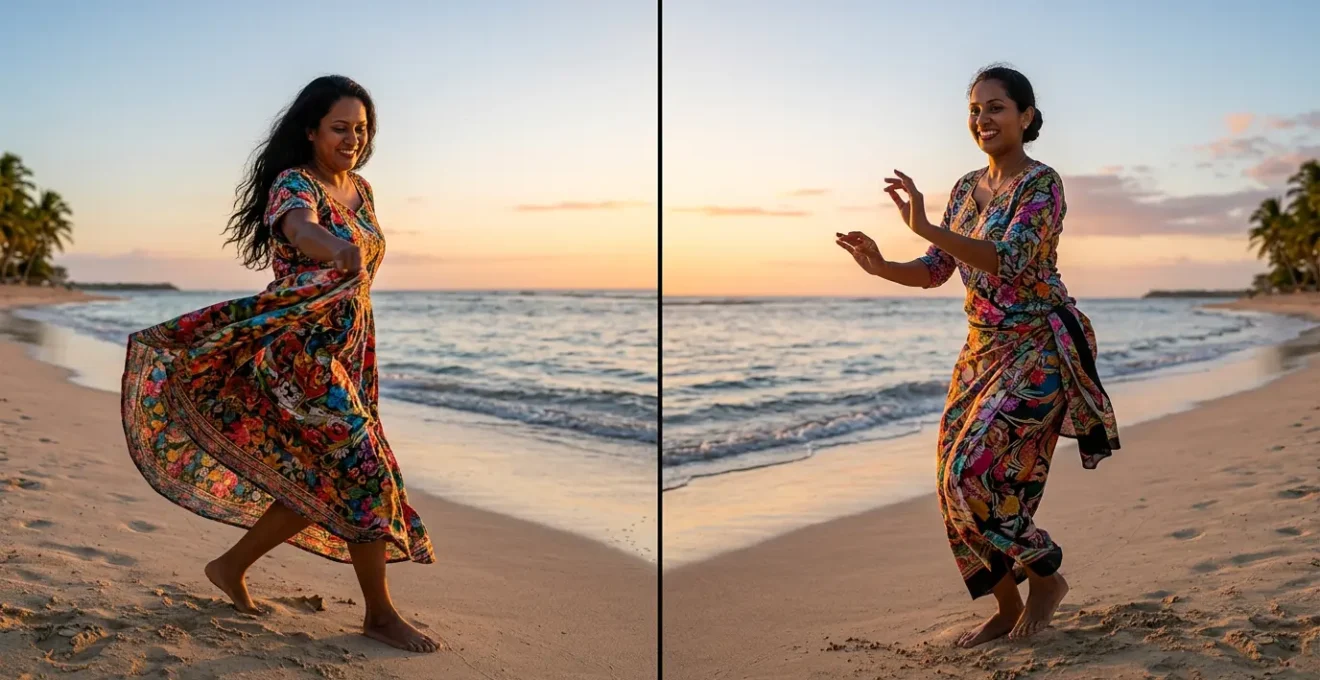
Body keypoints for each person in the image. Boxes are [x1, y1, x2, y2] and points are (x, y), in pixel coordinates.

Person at [121, 75, 440, 653]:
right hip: (299, 354)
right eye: (340, 127)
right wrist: (337, 249)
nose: (352, 139)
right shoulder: (294, 183)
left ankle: (229, 566)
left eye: (361, 129)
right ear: (311, 130)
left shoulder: (362, 191)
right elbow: (299, 227)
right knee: (363, 470)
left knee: (323, 474)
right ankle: (380, 614)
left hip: (347, 352)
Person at [835, 64, 1120, 647]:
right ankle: (1007, 604)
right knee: (949, 479)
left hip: (1039, 346)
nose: (982, 119)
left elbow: (1007, 260)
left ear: (1026, 116)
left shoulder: (1042, 184)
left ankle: (1047, 578)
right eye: (974, 109)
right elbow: (937, 269)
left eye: (995, 108)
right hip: (980, 351)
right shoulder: (967, 188)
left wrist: (925, 226)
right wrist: (882, 265)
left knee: (972, 474)